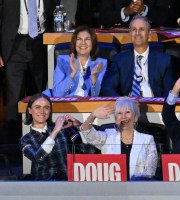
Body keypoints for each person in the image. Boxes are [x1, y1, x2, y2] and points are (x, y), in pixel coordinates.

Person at [0, 0, 59, 143]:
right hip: (14, 45)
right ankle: (13, 143)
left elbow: (53, 15)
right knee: (15, 97)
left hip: (40, 45)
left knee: (39, 95)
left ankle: (38, 138)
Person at [19, 93, 99, 180]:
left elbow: (86, 149)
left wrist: (79, 126)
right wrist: (55, 131)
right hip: (43, 185)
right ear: (30, 110)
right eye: (37, 107)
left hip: (67, 183)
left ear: (50, 111)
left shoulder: (63, 128)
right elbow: (37, 158)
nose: (42, 111)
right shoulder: (25, 140)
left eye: (46, 108)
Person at [79, 97, 158, 180]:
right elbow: (87, 133)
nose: (123, 116)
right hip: (112, 189)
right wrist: (93, 115)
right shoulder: (108, 135)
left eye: (127, 112)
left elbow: (150, 173)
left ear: (135, 117)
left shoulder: (147, 139)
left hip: (137, 189)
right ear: (116, 119)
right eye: (119, 113)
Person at [100, 15, 175, 97]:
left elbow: (169, 91)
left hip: (154, 105)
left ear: (149, 34)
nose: (137, 33)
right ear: (130, 34)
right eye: (134, 29)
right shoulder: (119, 60)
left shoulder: (164, 60)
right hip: (128, 106)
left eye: (141, 29)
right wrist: (121, 102)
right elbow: (107, 87)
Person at [52, 25, 107, 97]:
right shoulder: (63, 61)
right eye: (79, 39)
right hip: (68, 105)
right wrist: (73, 74)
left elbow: (95, 95)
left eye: (87, 39)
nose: (83, 43)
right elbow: (57, 94)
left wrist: (93, 77)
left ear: (92, 43)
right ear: (74, 43)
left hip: (90, 105)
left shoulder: (101, 63)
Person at [98, 0, 174, 28]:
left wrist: (144, 10)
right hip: (119, 41)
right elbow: (104, 17)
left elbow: (165, 17)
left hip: (151, 40)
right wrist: (125, 12)